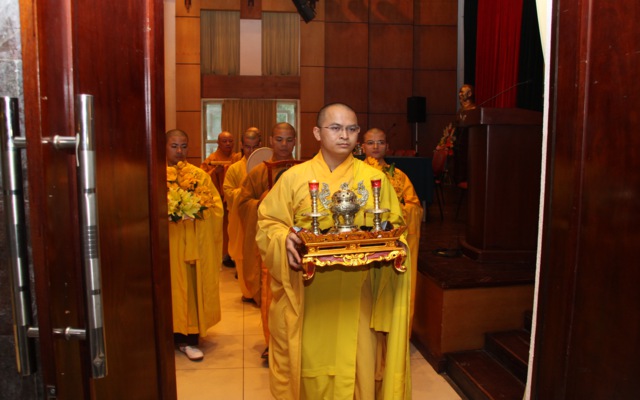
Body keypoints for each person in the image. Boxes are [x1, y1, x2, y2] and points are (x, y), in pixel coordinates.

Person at [256, 103, 412, 399]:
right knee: (309, 364)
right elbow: (268, 223)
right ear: (317, 133)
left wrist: (388, 238)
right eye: (336, 128)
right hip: (309, 294)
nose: (345, 135)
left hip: (358, 294)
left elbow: (396, 228)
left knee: (358, 365)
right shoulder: (293, 177)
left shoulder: (374, 179)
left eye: (352, 129)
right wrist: (283, 238)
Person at [236, 122, 298, 361]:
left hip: (298, 244)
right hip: (271, 245)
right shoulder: (259, 173)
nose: (284, 145)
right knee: (271, 297)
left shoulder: (304, 171)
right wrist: (261, 201)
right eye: (279, 139)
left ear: (295, 141)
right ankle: (271, 343)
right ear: (271, 141)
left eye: (289, 140)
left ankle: (297, 343)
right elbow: (243, 204)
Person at [166, 129, 223, 361]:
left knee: (191, 286)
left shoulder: (199, 175)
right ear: (164, 147)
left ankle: (189, 338)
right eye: (174, 146)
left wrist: (197, 212)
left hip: (194, 243)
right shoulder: (156, 174)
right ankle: (169, 335)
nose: (179, 151)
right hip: (170, 244)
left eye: (184, 146)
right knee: (170, 287)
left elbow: (216, 208)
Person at [362, 127, 424, 329]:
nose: (375, 146)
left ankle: (392, 328)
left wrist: (395, 214)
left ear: (387, 147)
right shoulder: (354, 173)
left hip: (392, 237)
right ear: (362, 147)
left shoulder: (398, 176)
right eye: (370, 142)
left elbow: (414, 206)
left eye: (380, 142)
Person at [223, 127, 262, 300]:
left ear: (260, 145)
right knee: (241, 254)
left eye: (254, 147)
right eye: (247, 146)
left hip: (261, 219)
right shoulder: (234, 169)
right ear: (241, 145)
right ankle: (247, 292)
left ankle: (261, 292)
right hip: (240, 220)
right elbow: (227, 191)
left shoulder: (265, 166)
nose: (251, 151)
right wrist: (245, 193)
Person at [200, 131, 242, 267]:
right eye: (224, 141)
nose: (228, 144)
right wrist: (214, 172)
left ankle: (235, 255)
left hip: (234, 199)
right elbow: (201, 178)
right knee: (222, 229)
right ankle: (224, 255)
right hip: (218, 200)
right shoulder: (212, 158)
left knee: (235, 228)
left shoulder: (237, 158)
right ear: (218, 143)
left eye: (230, 141)